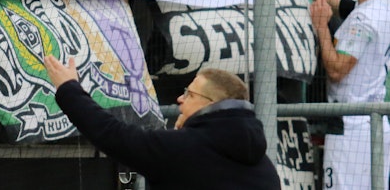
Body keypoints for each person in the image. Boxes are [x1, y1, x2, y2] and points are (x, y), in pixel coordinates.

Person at [44, 60, 281, 189]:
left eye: (189, 94)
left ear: (208, 104)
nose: (179, 98)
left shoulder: (182, 149)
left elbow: (112, 134)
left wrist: (69, 89)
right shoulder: (264, 165)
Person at [278, 0, 390, 189]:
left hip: (350, 132)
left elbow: (338, 70)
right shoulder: (379, 10)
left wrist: (321, 28)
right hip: (373, 128)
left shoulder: (363, 18)